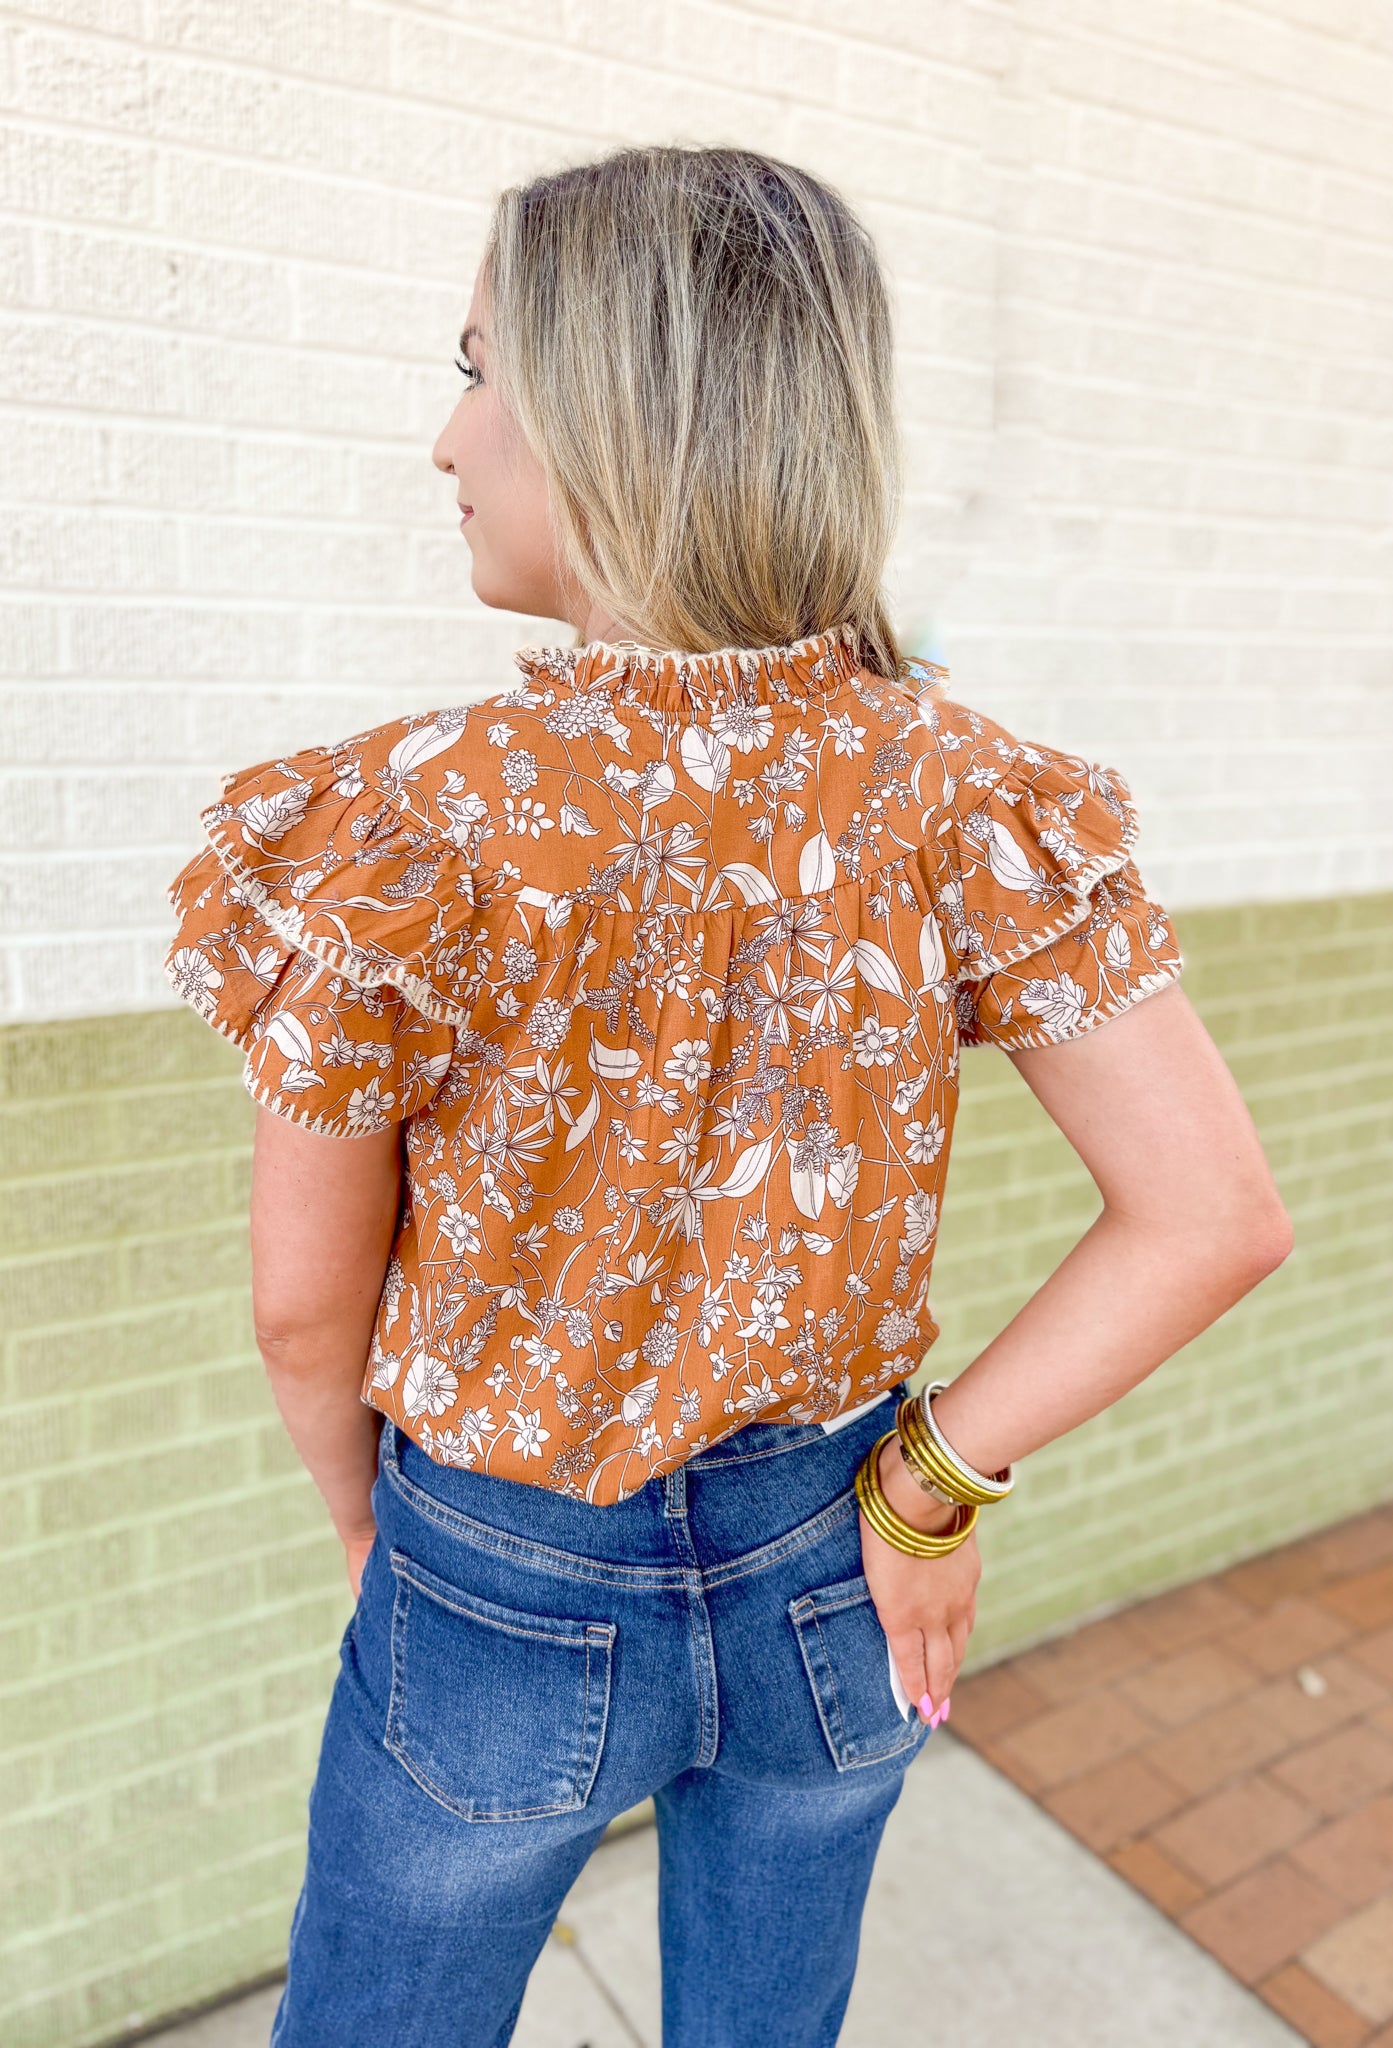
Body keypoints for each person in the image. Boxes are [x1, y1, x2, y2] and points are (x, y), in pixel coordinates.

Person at [163, 144, 1293, 2048]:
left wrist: (392, 1551)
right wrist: (925, 1488)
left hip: (497, 1557)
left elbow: (301, 1306)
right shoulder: (950, 784)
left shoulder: (412, 824)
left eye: (471, 370)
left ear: (604, 413)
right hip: (832, 1558)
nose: (447, 441)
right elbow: (1212, 1215)